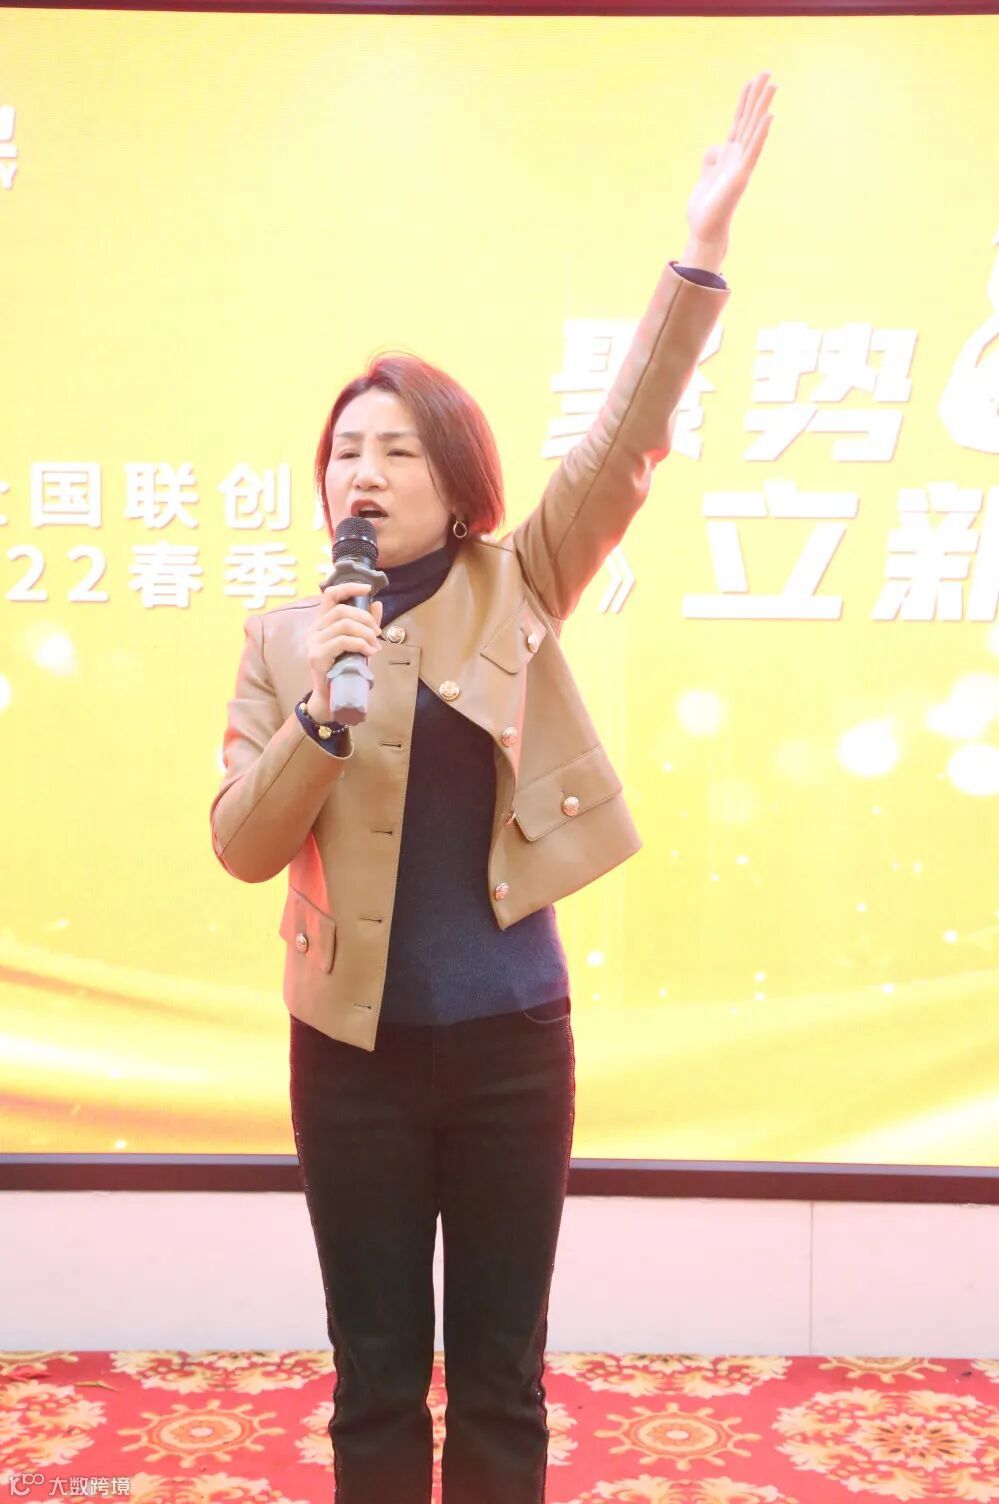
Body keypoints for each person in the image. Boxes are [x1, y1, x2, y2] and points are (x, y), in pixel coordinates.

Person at [210, 70, 776, 1504]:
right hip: (349, 1058)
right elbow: (240, 845)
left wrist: (701, 245)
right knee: (374, 1375)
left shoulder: (517, 578)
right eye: (345, 450)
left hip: (515, 1045)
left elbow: (630, 437)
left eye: (397, 449)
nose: (363, 470)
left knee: (504, 1378)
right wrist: (318, 717)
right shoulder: (284, 640)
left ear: (457, 482)